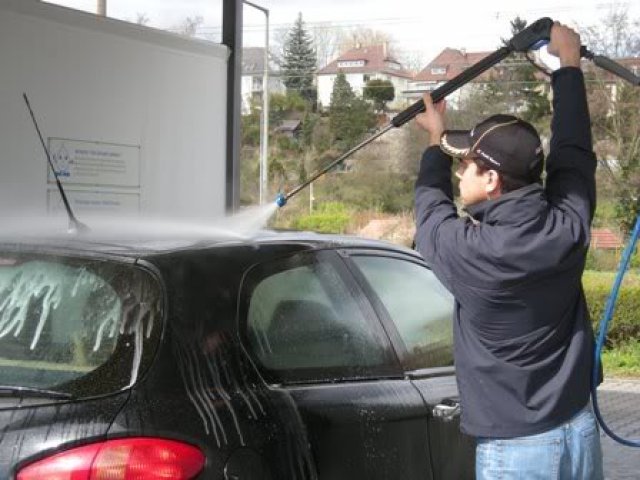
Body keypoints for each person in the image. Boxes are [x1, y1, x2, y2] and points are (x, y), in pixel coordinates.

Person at [413, 23, 604, 479]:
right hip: (579, 432)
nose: (460, 174)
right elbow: (573, 149)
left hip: (518, 451)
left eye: (467, 165)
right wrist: (570, 65)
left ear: (493, 181)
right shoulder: (569, 225)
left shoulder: (470, 251)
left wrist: (433, 141)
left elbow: (428, 203)